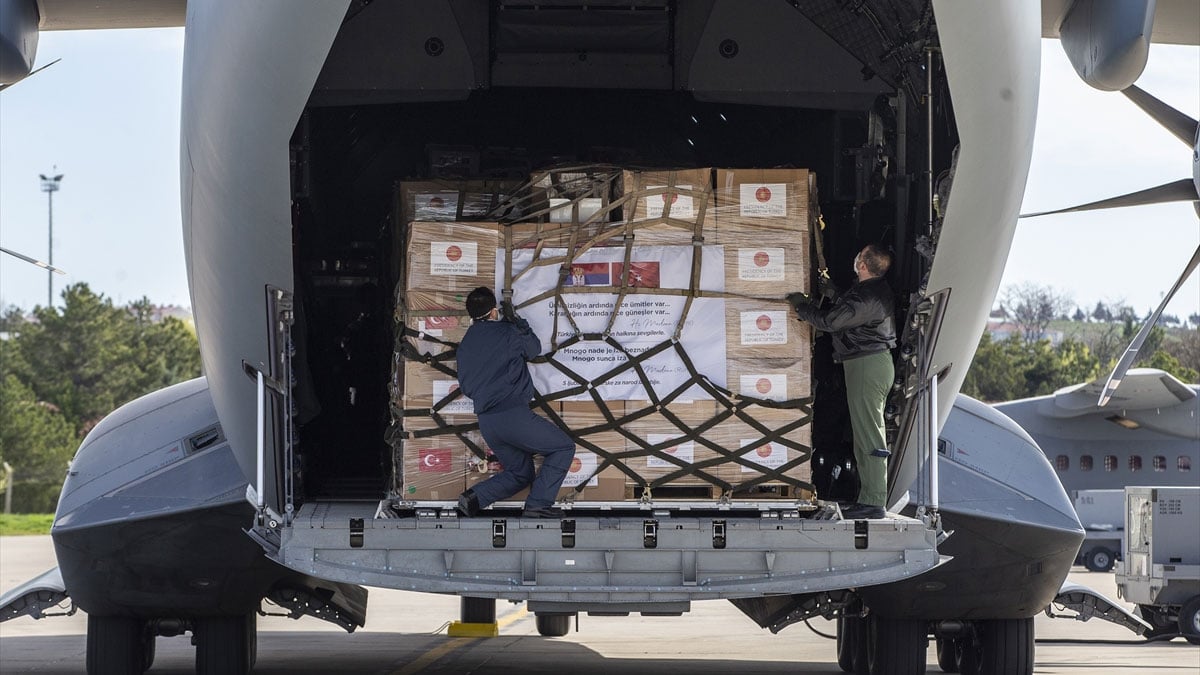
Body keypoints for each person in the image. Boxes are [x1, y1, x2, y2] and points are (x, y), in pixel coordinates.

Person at [788, 244, 897, 520]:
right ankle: (868, 498)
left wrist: (801, 306)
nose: (856, 257)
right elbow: (850, 307)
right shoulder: (869, 290)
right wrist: (832, 290)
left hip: (867, 366)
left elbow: (831, 321)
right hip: (865, 364)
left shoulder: (867, 297)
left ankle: (873, 502)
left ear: (862, 265)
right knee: (863, 434)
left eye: (859, 254)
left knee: (869, 434)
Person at [454, 287, 576, 518]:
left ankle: (474, 498)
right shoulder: (508, 332)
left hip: (487, 422)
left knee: (521, 473)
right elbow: (534, 350)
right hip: (513, 417)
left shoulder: (465, 344)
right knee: (563, 447)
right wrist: (519, 322)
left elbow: (467, 387)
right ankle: (538, 506)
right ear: (494, 312)